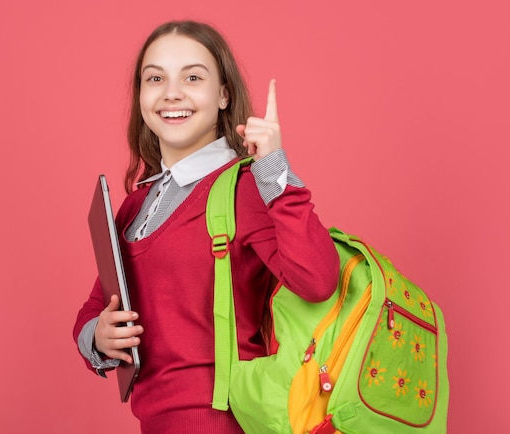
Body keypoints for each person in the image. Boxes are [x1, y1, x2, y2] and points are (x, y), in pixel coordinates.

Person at [73, 20, 340, 434]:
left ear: (223, 94)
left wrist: (273, 166)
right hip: (156, 422)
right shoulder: (136, 206)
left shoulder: (245, 186)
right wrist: (98, 337)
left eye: (192, 77)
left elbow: (319, 279)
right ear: (142, 96)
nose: (172, 92)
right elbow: (96, 306)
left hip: (223, 422)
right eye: (155, 78)